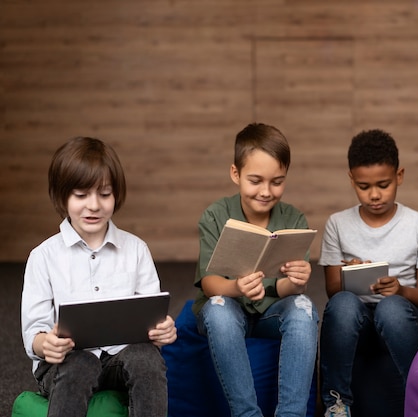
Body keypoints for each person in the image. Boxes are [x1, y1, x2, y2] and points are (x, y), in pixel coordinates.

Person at [21, 136, 177, 417]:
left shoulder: (136, 249)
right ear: (62, 196)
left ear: (116, 195)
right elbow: (33, 332)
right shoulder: (43, 256)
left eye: (104, 194)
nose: (93, 205)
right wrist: (47, 344)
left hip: (120, 356)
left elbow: (150, 314)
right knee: (79, 363)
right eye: (81, 195)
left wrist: (162, 330)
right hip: (65, 363)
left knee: (148, 359)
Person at [192, 122, 319, 417]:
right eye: (255, 180)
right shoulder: (215, 215)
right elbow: (210, 282)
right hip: (228, 304)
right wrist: (236, 287)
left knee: (304, 307)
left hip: (272, 311)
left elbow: (286, 289)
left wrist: (297, 283)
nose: (266, 191)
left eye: (277, 181)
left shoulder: (294, 219)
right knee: (219, 309)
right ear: (235, 174)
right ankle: (247, 413)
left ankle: (291, 413)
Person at [318, 129, 418, 417]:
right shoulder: (337, 224)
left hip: (402, 319)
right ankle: (337, 405)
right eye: (363, 186)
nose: (374, 195)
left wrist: (401, 291)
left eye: (384, 185)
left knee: (391, 308)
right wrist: (350, 275)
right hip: (356, 322)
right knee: (343, 304)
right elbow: (332, 290)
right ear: (351, 179)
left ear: (399, 176)